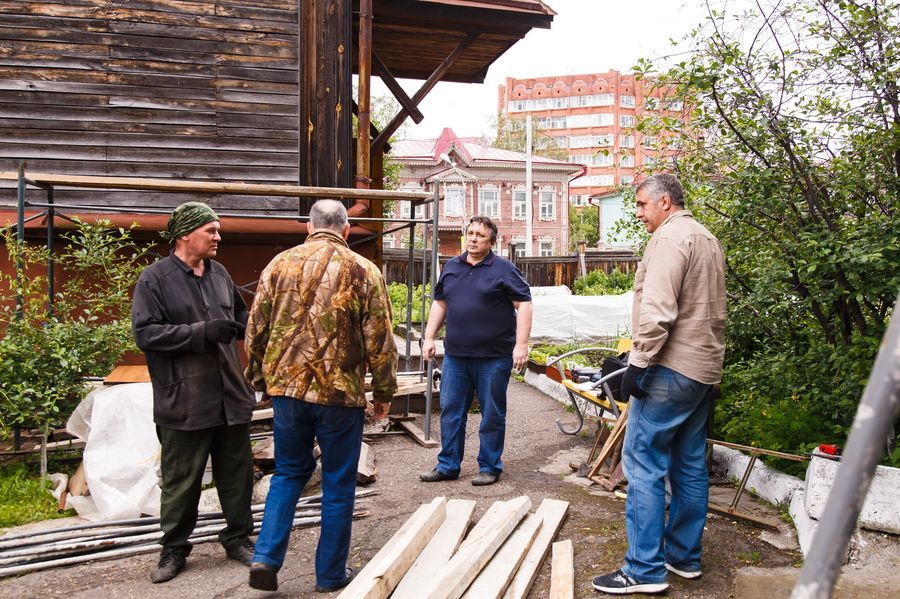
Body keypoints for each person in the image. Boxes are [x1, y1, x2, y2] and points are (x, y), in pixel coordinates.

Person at [243, 199, 397, 593]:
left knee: (289, 474)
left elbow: (255, 329)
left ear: (308, 227)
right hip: (339, 394)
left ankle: (265, 557)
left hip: (288, 392)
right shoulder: (364, 270)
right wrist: (383, 391)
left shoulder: (278, 265)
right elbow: (379, 338)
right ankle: (330, 575)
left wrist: (259, 378)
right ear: (346, 230)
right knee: (338, 482)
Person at [591, 174, 726, 595]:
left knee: (642, 464)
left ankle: (643, 570)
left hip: (670, 368)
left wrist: (639, 360)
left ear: (664, 202)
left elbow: (659, 309)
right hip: (702, 369)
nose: (639, 213)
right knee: (688, 465)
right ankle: (683, 557)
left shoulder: (669, 239)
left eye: (642, 205)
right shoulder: (706, 237)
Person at [131, 201, 256, 584]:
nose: (218, 237)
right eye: (211, 231)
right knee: (181, 478)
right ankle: (174, 549)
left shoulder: (219, 273)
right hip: (185, 398)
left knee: (237, 473)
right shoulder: (154, 280)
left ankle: (237, 539)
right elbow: (146, 334)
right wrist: (202, 333)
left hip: (229, 394)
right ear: (186, 234)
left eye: (218, 230)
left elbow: (241, 316)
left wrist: (242, 326)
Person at [419, 215, 532, 487]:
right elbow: (440, 303)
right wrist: (429, 337)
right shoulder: (452, 267)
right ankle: (448, 465)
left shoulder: (503, 269)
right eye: (470, 233)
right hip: (457, 356)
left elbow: (524, 304)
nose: (473, 239)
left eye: (480, 235)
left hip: (494, 357)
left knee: (492, 413)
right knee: (451, 410)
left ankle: (489, 466)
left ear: (491, 241)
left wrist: (521, 344)